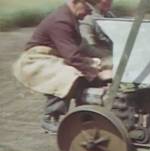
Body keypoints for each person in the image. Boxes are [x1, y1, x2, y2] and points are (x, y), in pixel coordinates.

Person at [12, 0, 108, 133]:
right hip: (36, 59)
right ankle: (50, 117)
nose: (90, 12)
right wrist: (94, 72)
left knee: (94, 68)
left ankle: (87, 113)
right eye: (87, 7)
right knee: (67, 75)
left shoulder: (71, 16)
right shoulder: (61, 21)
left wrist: (106, 59)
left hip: (55, 56)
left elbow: (82, 47)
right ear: (76, 2)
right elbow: (72, 56)